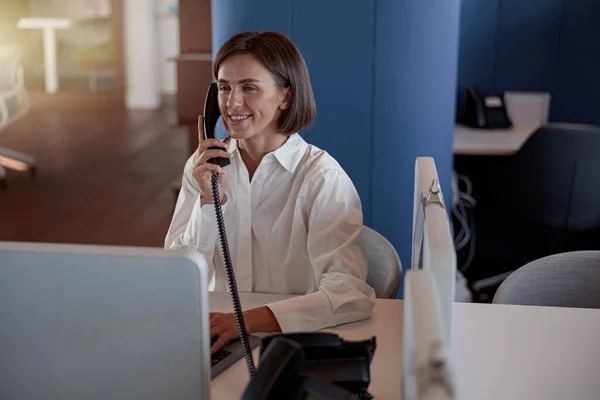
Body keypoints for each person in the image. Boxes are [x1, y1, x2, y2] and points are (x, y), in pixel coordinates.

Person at [165, 31, 375, 353]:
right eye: (224, 88)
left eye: (249, 88)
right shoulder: (204, 166)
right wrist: (208, 204)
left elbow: (351, 295)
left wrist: (248, 320)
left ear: (285, 98)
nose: (232, 103)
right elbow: (175, 280)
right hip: (214, 335)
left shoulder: (320, 178)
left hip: (290, 341)